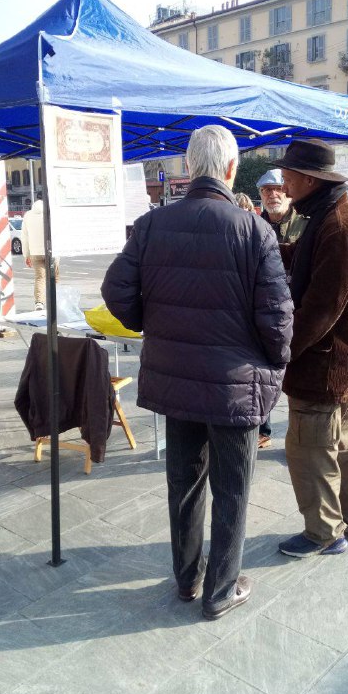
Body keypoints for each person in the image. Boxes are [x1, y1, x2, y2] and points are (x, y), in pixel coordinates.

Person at [102, 125, 293, 619]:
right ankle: (221, 591)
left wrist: (155, 324)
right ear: (231, 171)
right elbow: (277, 316)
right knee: (232, 488)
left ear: (188, 168)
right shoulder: (255, 231)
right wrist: (274, 363)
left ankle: (187, 581)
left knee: (183, 484)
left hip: (177, 379)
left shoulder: (151, 226)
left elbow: (116, 292)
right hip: (235, 385)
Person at [270, 138, 348, 558]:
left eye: (287, 178)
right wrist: (269, 250)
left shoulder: (337, 226)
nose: (283, 184)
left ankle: (324, 532)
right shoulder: (328, 216)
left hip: (326, 366)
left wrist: (280, 351)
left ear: (309, 179)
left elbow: (321, 310)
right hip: (343, 363)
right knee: (345, 446)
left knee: (308, 449)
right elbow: (302, 258)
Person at [256, 168, 308, 448]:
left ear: (287, 192)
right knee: (264, 373)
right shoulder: (255, 224)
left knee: (295, 374)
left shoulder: (305, 223)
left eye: (277, 189)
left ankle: (297, 434)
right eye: (266, 191)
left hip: (297, 309)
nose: (272, 195)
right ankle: (263, 428)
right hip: (264, 310)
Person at [21, 194, 59, 310]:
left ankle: (39, 302)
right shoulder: (51, 214)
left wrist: (26, 255)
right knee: (54, 277)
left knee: (39, 277)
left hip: (35, 253)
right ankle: (55, 300)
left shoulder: (28, 216)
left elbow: (24, 237)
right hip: (51, 251)